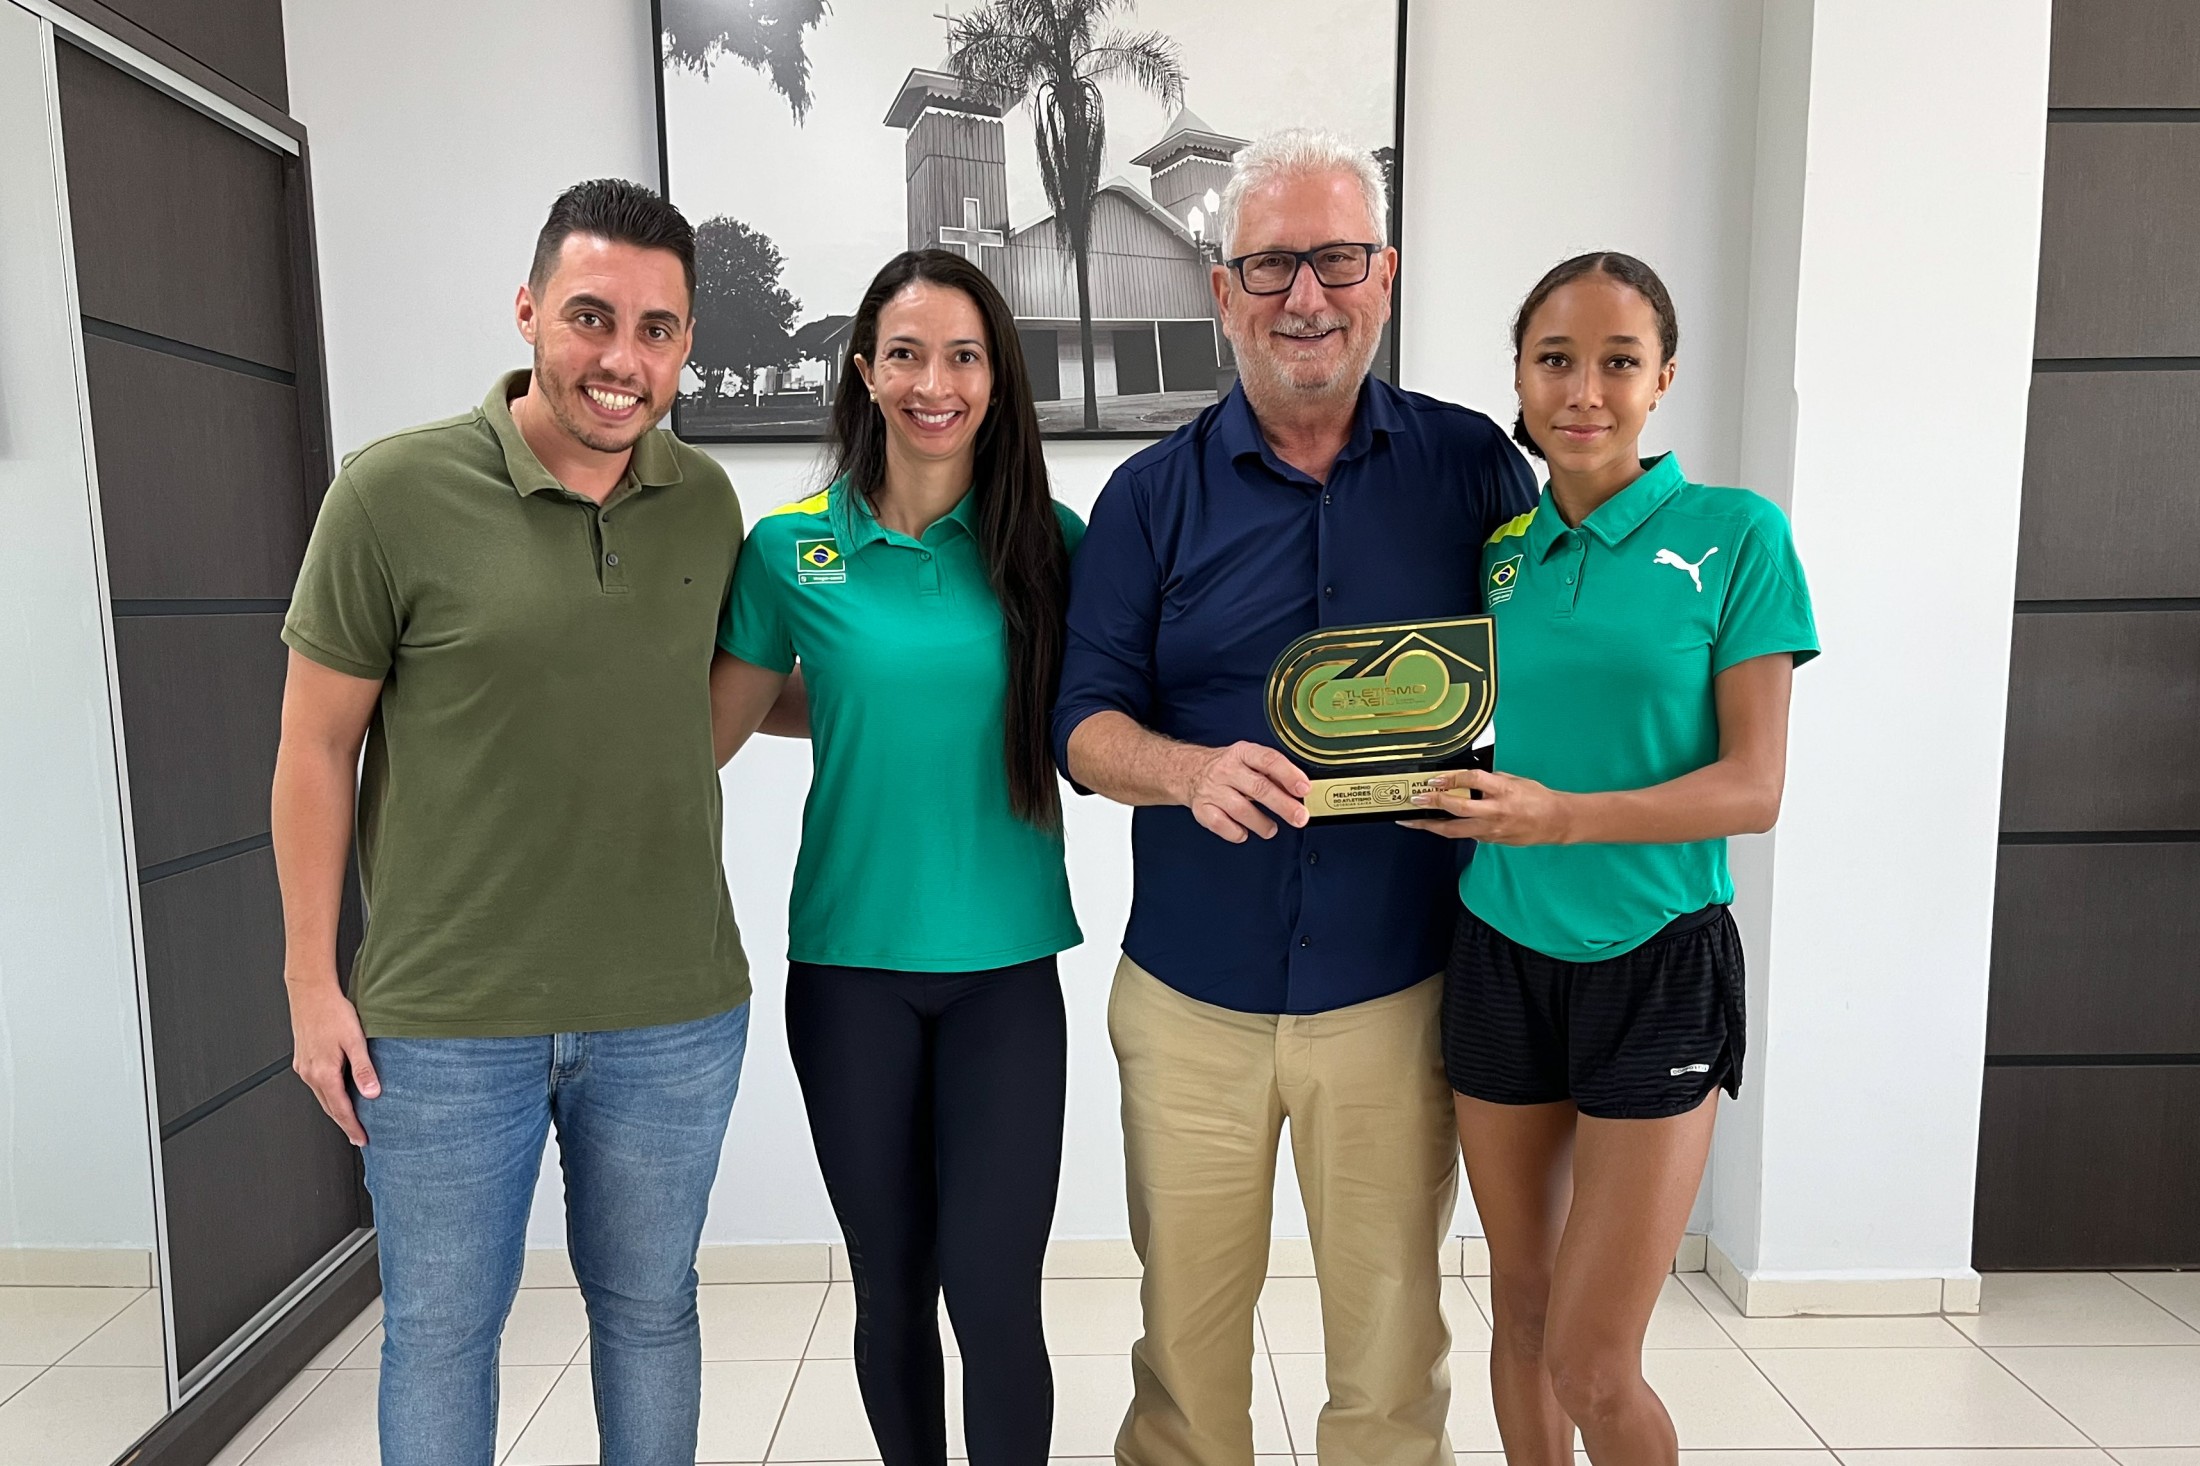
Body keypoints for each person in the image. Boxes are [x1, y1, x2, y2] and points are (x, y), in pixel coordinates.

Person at [1054, 129, 1538, 1466]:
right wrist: (1186, 769)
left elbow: (1552, 664)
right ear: (1223, 291)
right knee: (1184, 1363)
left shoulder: (1475, 469)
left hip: (1397, 990)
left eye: (1336, 259)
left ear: (1385, 275)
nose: (1305, 296)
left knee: (1390, 1366)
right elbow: (1080, 725)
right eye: (1271, 265)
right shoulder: (1148, 498)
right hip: (1191, 998)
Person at [273, 179, 761, 1466]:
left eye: (657, 329)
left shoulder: (707, 503)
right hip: (442, 1021)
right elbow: (315, 745)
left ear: (686, 345)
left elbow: (714, 699)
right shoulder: (390, 493)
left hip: (670, 1010)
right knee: (440, 1334)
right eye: (591, 316)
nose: (621, 358)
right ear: (530, 309)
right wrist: (312, 981)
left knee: (651, 1313)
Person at [1404, 252, 1817, 1465]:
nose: (1583, 391)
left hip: (1658, 962)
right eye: (1555, 360)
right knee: (1524, 1310)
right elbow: (1491, 732)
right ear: (1519, 377)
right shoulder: (1497, 554)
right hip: (1499, 950)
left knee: (1592, 1358)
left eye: (1617, 362)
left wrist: (1562, 816)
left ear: (1663, 378)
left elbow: (1754, 786)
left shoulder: (1737, 535)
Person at [711, 249, 1082, 1466]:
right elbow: (716, 725)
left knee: (994, 1293)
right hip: (849, 970)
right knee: (891, 1284)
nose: (936, 382)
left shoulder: (1052, 544)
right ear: (865, 371)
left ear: (996, 376)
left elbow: (1120, 704)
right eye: (908, 354)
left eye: (963, 356)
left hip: (1006, 970)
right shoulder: (789, 549)